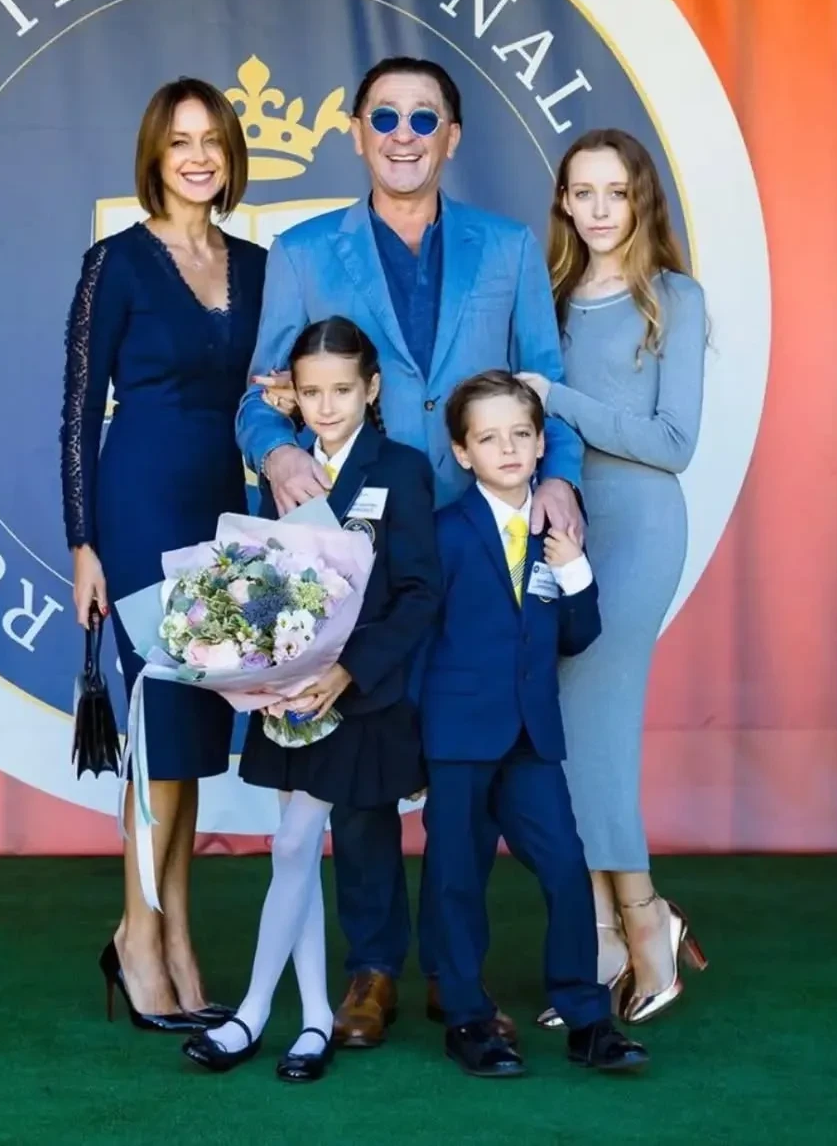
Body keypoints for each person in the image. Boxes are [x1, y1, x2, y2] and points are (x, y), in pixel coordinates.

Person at [236, 55, 583, 1048]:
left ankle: (454, 973)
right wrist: (280, 453)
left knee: (465, 774)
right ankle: (374, 966)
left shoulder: (508, 248)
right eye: (384, 116)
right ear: (356, 131)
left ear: (452, 136)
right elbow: (258, 401)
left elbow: (546, 382)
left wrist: (558, 477)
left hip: (478, 550)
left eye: (423, 118)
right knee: (362, 769)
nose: (403, 133)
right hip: (362, 563)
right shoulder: (302, 251)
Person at [60, 77, 266, 1031]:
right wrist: (83, 542)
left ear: (232, 154)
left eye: (212, 140)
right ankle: (141, 937)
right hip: (140, 507)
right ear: (154, 153)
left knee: (190, 738)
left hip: (224, 508)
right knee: (159, 728)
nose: (197, 156)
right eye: (180, 140)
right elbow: (76, 409)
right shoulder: (114, 262)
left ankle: (173, 930)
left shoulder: (257, 265)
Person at [184, 317, 440, 1081]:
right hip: (290, 698)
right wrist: (261, 671)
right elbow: (266, 584)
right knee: (293, 849)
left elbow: (421, 593)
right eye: (312, 392)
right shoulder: (282, 476)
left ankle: (252, 1012)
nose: (327, 406)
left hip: (357, 698)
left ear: (372, 388)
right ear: (291, 395)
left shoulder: (403, 468)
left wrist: (348, 670)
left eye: (342, 390)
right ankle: (316, 1018)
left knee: (295, 845)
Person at [521, 129, 708, 1026]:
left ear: (641, 200)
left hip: (637, 528)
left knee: (597, 728)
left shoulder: (674, 298)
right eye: (582, 191)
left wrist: (557, 398)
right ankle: (601, 936)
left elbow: (674, 442)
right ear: (562, 201)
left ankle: (643, 920)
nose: (599, 209)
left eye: (616, 192)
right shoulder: (550, 299)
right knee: (564, 731)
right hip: (558, 531)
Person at [422, 370, 649, 1078]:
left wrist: (575, 569)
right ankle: (467, 1017)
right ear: (463, 452)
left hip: (531, 740)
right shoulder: (444, 533)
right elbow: (419, 641)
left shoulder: (558, 532)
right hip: (457, 738)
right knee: (456, 875)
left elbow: (577, 636)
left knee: (566, 867)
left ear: (542, 441)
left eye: (521, 433)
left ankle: (587, 1019)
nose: (508, 448)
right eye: (489, 438)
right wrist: (414, 740)